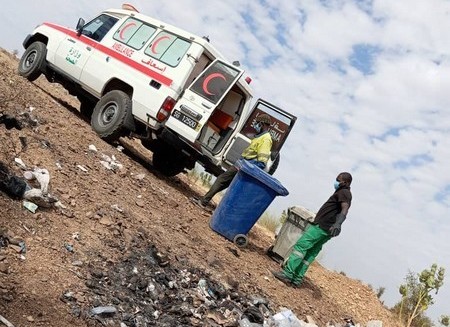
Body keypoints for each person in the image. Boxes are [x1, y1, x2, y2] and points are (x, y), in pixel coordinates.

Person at [272, 172, 353, 286]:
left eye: (338, 180)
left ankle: (288, 274)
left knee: (301, 247)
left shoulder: (344, 193)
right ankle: (296, 279)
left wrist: (338, 224)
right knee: (310, 253)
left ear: (346, 182)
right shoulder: (344, 193)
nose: (336, 182)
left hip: (321, 227)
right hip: (327, 230)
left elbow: (345, 209)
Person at [191, 113, 273, 210]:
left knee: (221, 179)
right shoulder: (260, 137)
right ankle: (206, 201)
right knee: (225, 184)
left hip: (243, 166)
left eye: (257, 123)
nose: (255, 125)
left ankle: (203, 201)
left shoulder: (266, 139)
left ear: (262, 124)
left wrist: (245, 166)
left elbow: (261, 163)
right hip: (242, 165)